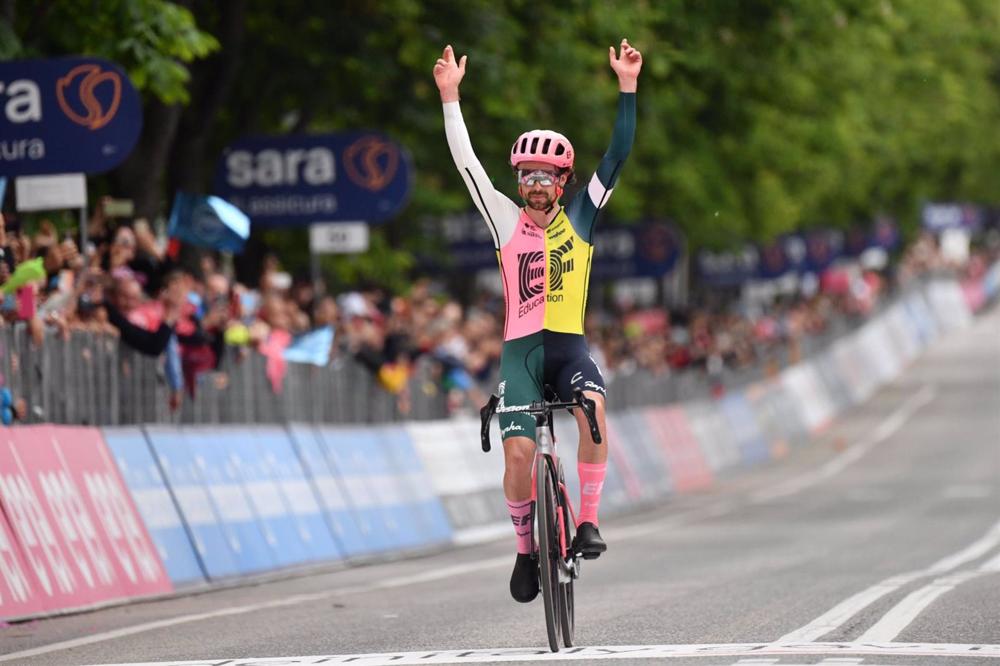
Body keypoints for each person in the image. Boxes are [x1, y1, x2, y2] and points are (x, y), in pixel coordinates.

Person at [434, 39, 641, 602]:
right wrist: (451, 97)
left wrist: (627, 88)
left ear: (564, 181)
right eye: (526, 174)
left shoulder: (582, 216)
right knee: (520, 454)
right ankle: (526, 551)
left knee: (593, 408)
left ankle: (588, 521)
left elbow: (616, 156)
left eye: (546, 175)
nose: (534, 184)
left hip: (569, 347)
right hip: (519, 353)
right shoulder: (503, 219)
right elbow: (466, 164)